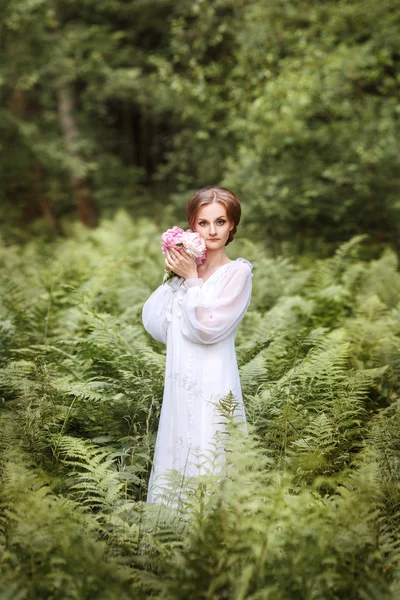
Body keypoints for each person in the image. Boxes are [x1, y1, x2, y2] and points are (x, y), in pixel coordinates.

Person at [142, 186, 253, 504]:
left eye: (221, 221)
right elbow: (157, 323)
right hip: (180, 379)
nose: (213, 230)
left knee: (209, 443)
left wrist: (192, 280)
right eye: (204, 223)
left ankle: (211, 536)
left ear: (232, 225)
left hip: (214, 378)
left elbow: (207, 328)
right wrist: (174, 276)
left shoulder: (238, 273)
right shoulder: (184, 271)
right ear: (192, 226)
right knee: (179, 444)